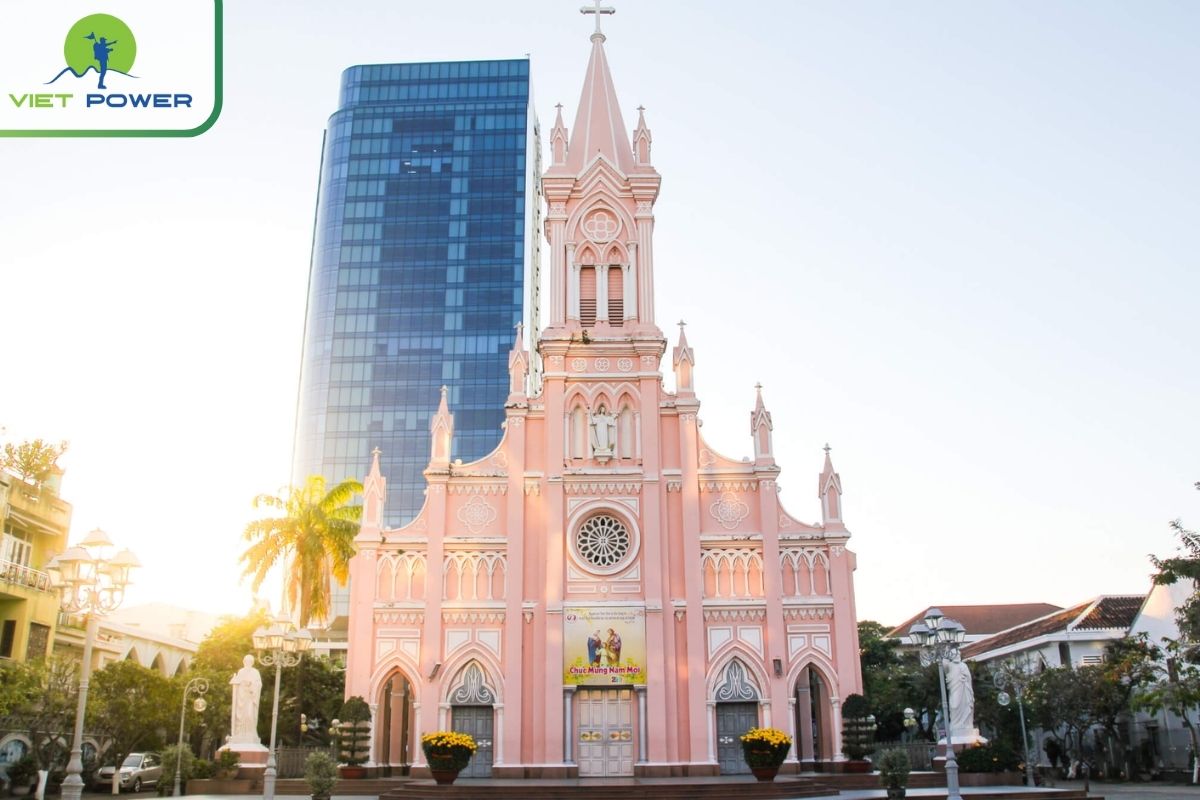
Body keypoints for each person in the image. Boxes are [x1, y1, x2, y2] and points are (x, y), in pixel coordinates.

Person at [943, 651, 975, 742]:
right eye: (955, 654)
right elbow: (943, 664)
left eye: (958, 654)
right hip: (954, 688)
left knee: (965, 705)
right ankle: (955, 724)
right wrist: (944, 650)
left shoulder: (963, 665)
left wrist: (965, 680)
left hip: (964, 688)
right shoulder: (950, 665)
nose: (957, 656)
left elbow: (969, 678)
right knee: (954, 706)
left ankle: (965, 724)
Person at [229, 655, 262, 742]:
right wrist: (238, 681)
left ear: (252, 663)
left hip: (251, 698)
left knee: (250, 714)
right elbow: (237, 682)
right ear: (244, 662)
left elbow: (259, 684)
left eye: (250, 661)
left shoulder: (255, 672)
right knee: (240, 716)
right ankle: (239, 733)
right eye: (246, 661)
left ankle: (250, 733)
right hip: (242, 698)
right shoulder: (241, 671)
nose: (248, 663)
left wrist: (251, 684)